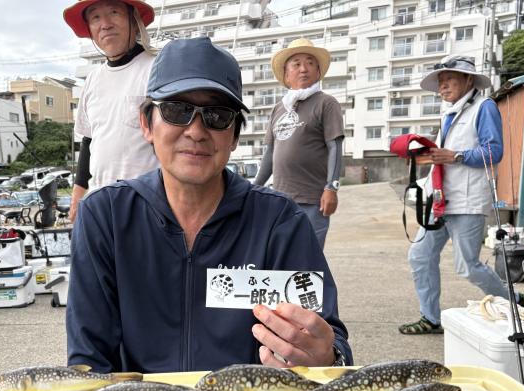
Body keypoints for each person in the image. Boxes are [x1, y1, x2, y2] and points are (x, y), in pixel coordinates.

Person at [66, 37, 352, 373]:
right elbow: (87, 360)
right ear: (147, 123)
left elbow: (329, 338)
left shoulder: (281, 220)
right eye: (177, 110)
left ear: (233, 136)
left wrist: (327, 357)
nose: (196, 130)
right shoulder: (105, 216)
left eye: (217, 115)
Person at [399, 55, 524, 335]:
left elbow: (494, 152)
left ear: (469, 80)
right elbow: (447, 156)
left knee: (467, 267)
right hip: (440, 199)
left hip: (467, 201)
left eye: (449, 79)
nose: (443, 86)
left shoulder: (485, 107)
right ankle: (430, 318)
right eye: (440, 82)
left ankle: (513, 302)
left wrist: (454, 156)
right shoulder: (449, 113)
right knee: (419, 256)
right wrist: (429, 157)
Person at [63, 0, 159, 221]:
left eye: (114, 13)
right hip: (100, 204)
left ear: (134, 22)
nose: (104, 24)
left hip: (148, 205)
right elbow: (88, 142)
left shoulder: (157, 68)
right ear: (90, 29)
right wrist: (78, 199)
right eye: (95, 17)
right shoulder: (93, 79)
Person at [253, 38, 344, 249]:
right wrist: (252, 189)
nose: (304, 69)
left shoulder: (326, 103)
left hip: (313, 200)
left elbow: (335, 147)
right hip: (280, 200)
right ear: (286, 74)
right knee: (282, 258)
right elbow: (270, 155)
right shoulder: (279, 109)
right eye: (296, 64)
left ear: (319, 72)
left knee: (307, 260)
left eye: (311, 63)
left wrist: (332, 187)